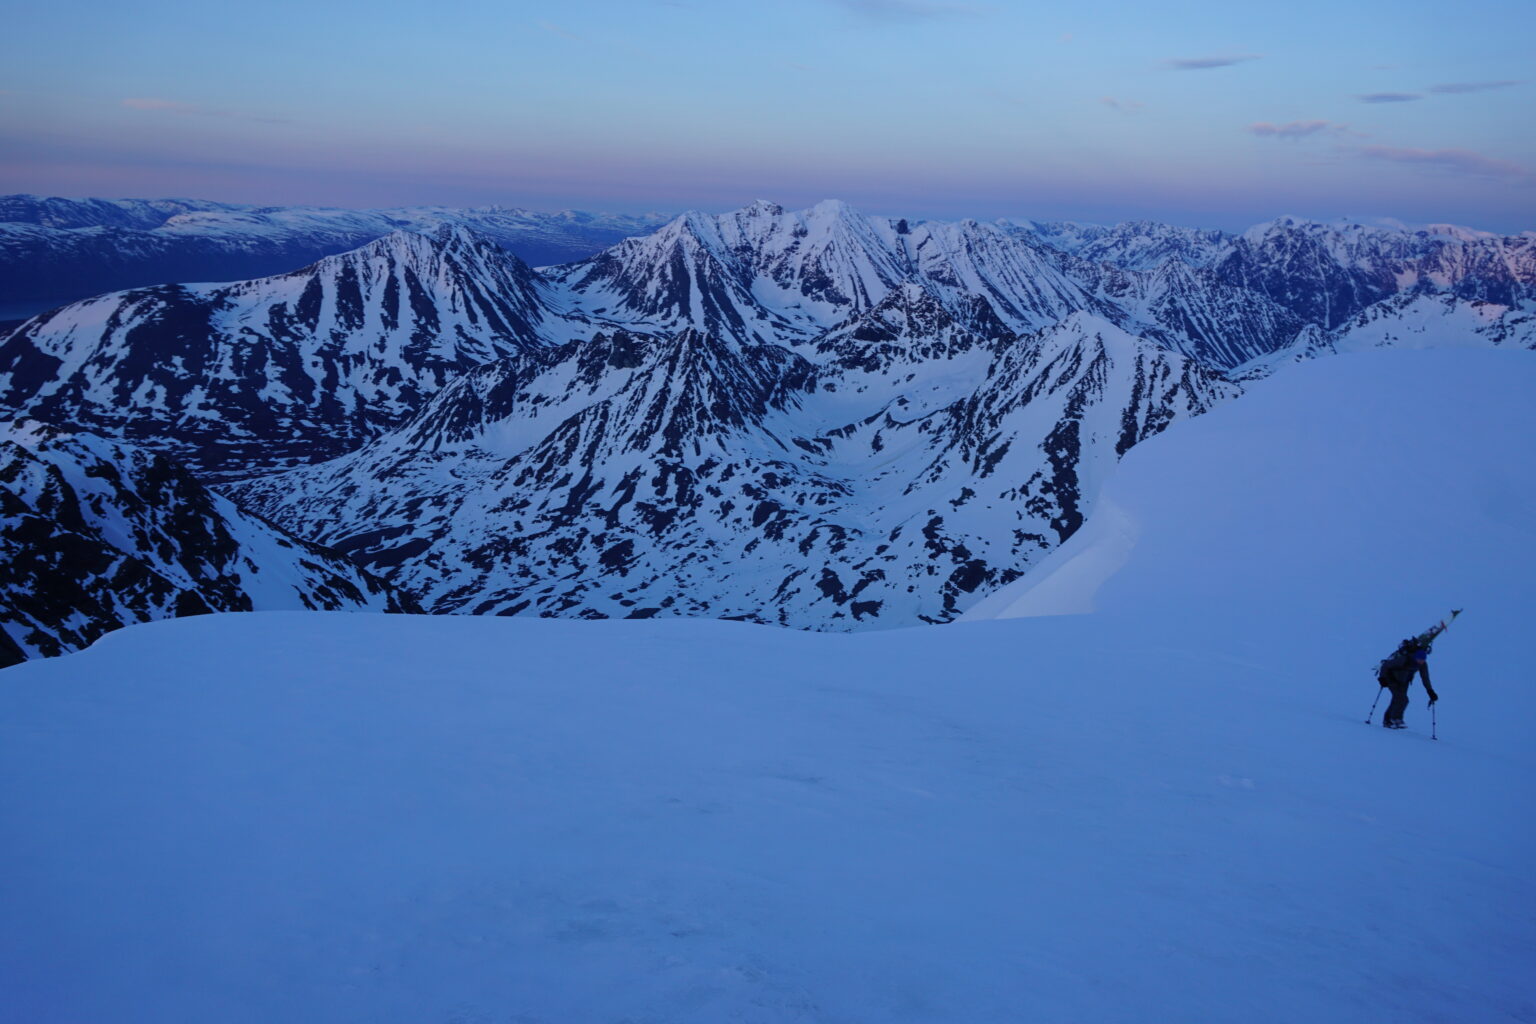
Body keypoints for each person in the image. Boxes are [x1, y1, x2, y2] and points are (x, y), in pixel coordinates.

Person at [1377, 638, 1439, 729]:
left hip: (1404, 681)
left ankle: (1388, 721)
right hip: (1391, 679)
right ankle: (1396, 719)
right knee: (1402, 699)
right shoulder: (1404, 659)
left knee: (1397, 699)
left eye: (1423, 659)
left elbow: (1425, 678)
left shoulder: (1422, 664)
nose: (1421, 661)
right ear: (1416, 657)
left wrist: (1430, 691)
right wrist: (1382, 678)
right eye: (1420, 659)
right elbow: (1386, 665)